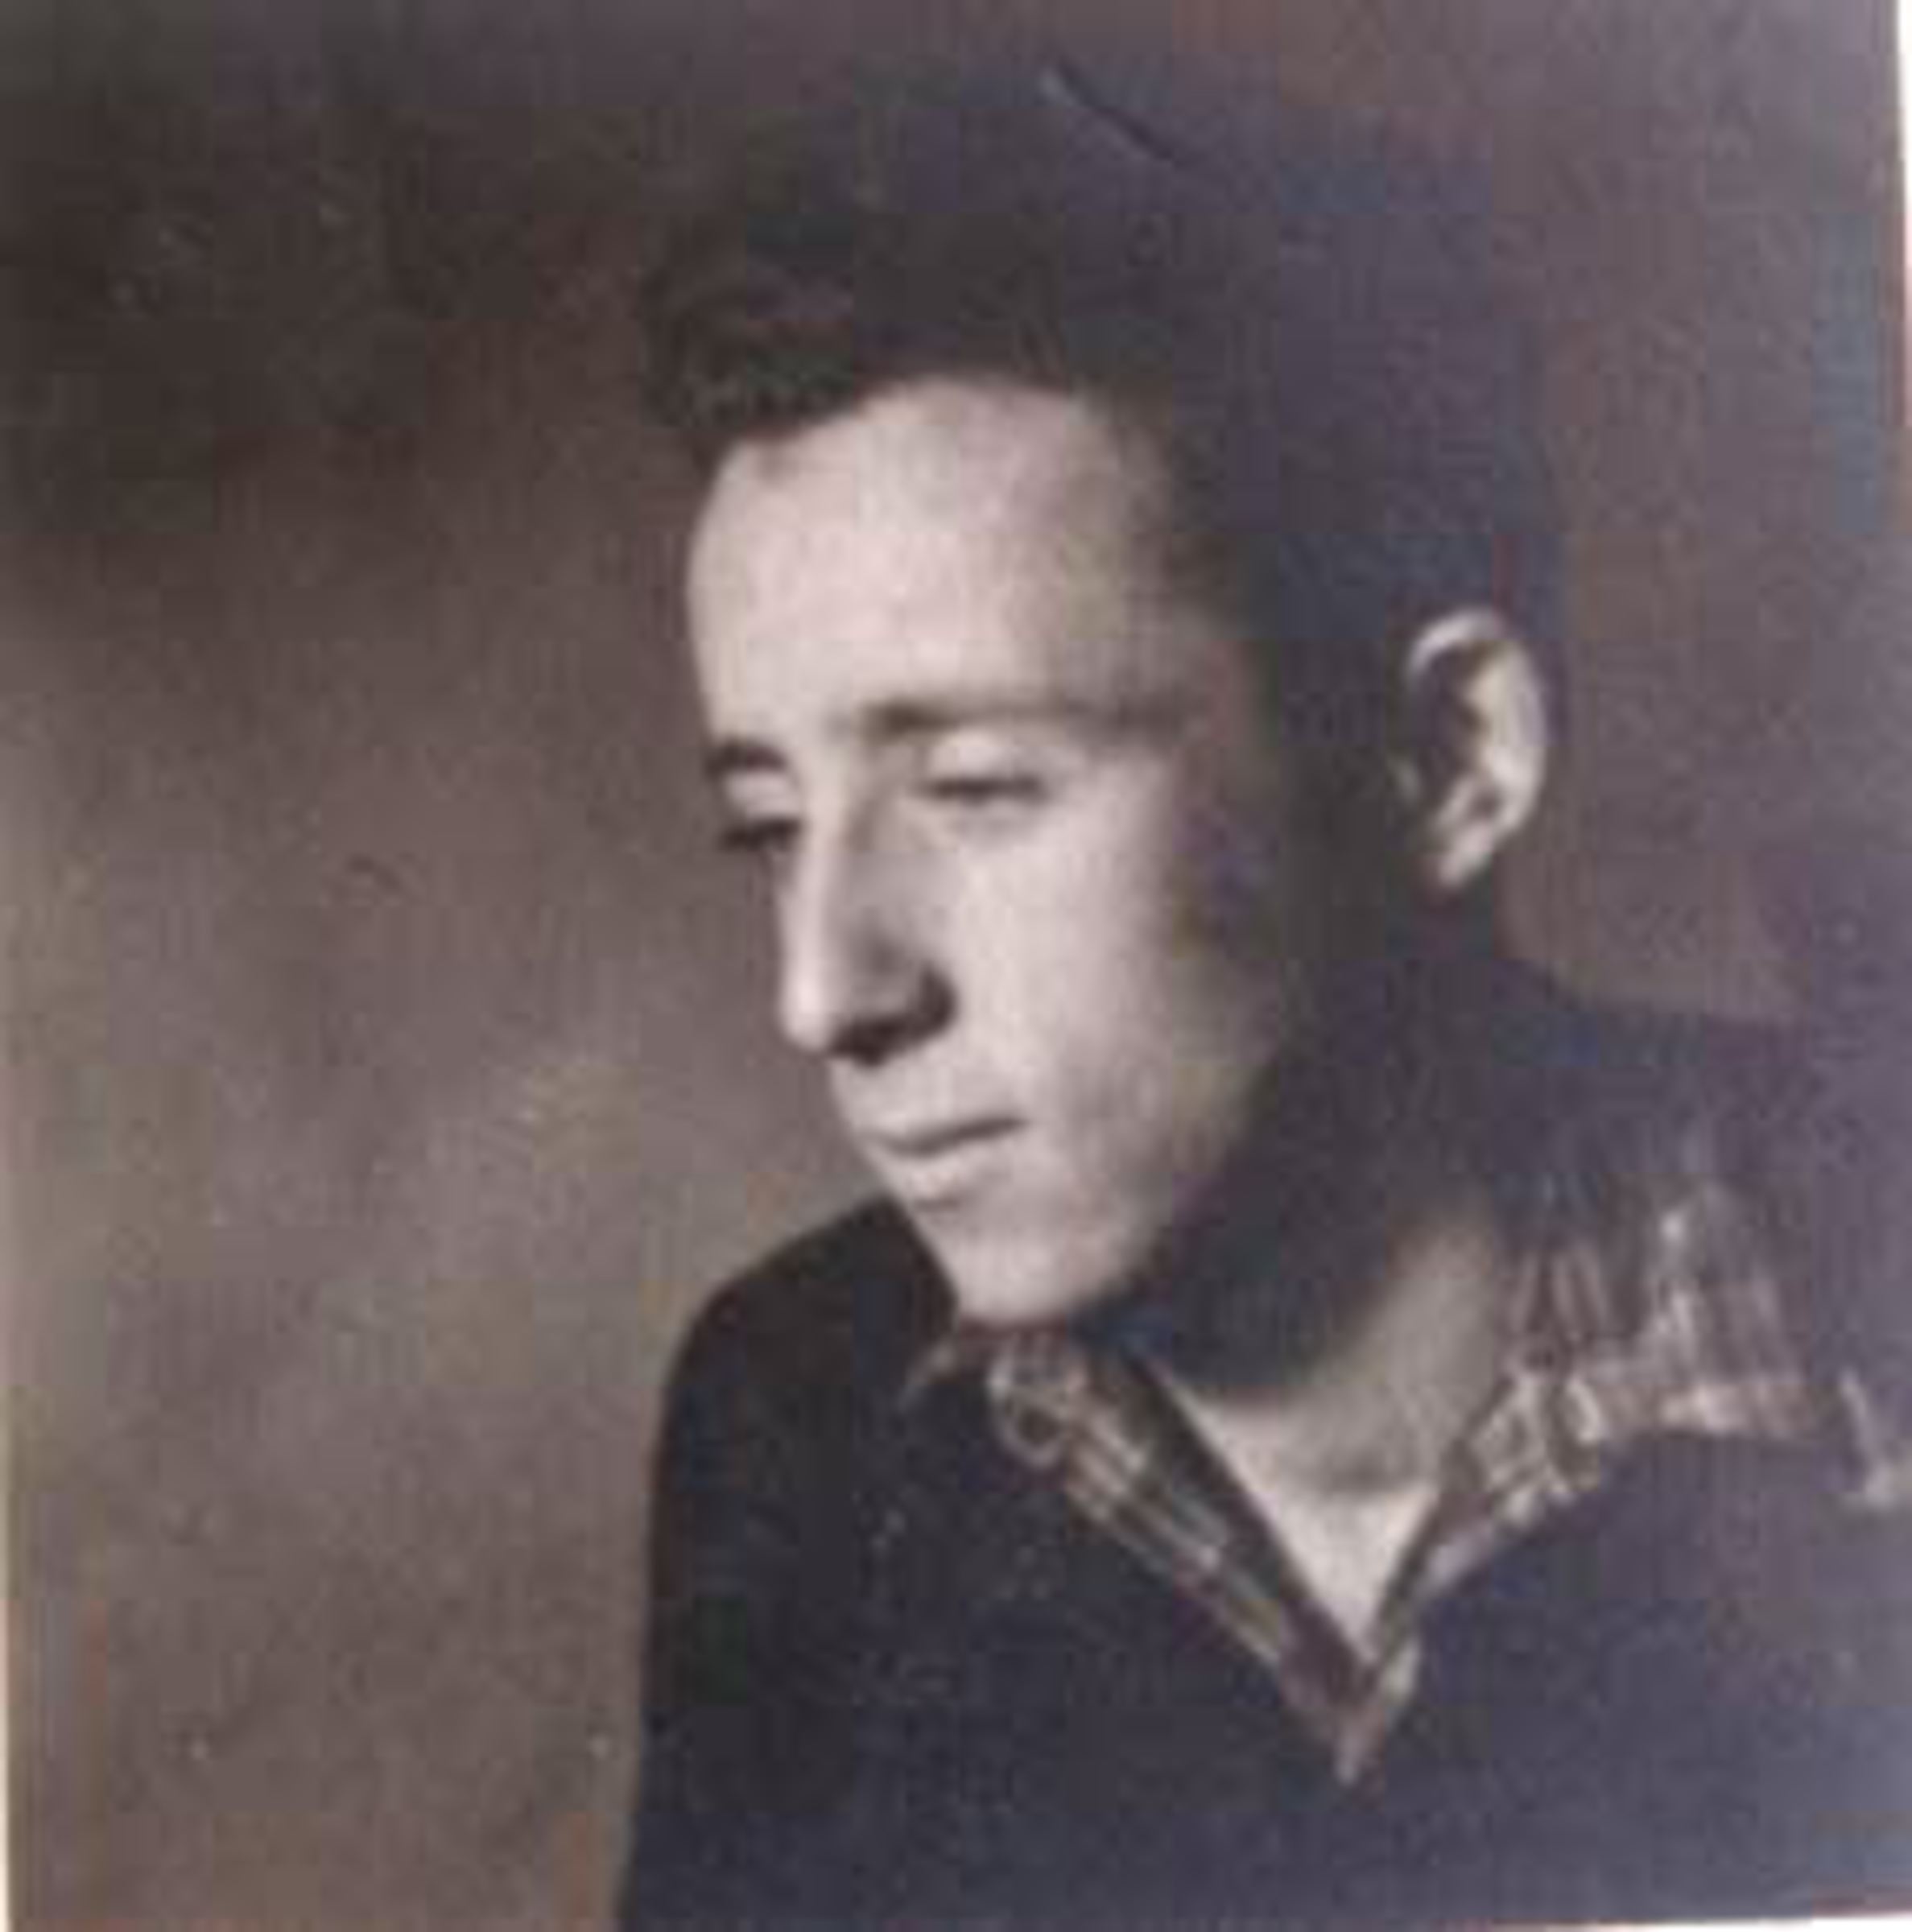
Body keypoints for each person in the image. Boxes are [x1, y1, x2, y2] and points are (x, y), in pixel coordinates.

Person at [619, 59, 1912, 1926]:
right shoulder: (798, 1423)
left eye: (978, 788)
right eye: (770, 825)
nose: (823, 991)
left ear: (1445, 763)